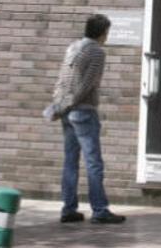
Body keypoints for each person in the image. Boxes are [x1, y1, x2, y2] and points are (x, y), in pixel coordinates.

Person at [52, 14, 126, 224]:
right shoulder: (96, 52)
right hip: (83, 111)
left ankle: (68, 209)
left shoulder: (73, 47)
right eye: (107, 33)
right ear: (103, 33)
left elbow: (62, 79)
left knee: (70, 161)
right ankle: (100, 210)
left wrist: (60, 104)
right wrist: (71, 103)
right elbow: (87, 84)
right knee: (94, 162)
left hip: (66, 111)